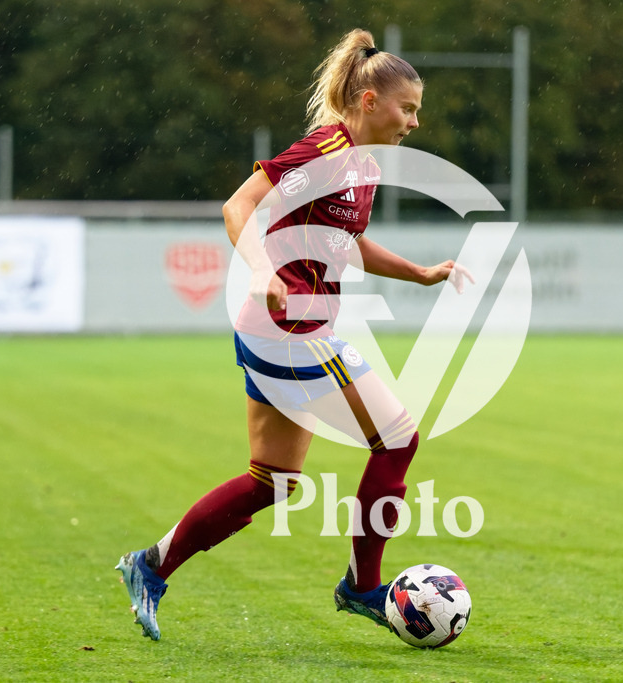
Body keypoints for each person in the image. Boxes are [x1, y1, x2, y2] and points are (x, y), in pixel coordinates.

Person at [116, 28, 473, 641]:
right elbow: (238, 206)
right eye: (408, 108)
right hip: (290, 331)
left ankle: (148, 567)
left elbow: (348, 242)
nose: (415, 123)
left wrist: (417, 273)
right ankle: (361, 586)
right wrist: (261, 269)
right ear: (369, 102)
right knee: (397, 439)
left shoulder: (361, 165)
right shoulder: (325, 151)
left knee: (272, 481)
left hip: (282, 330)